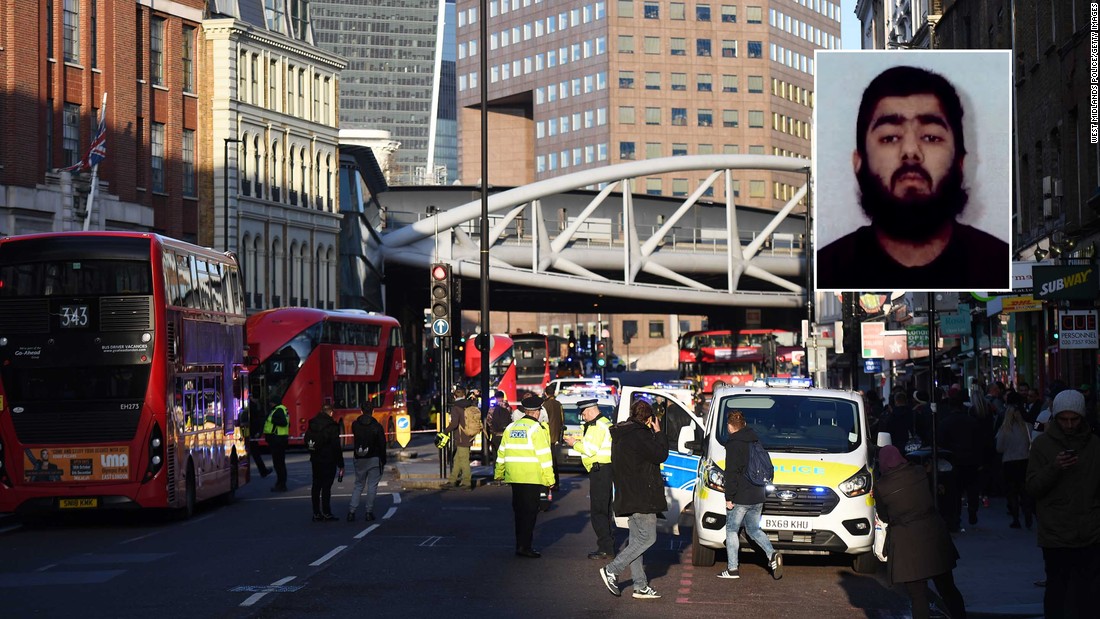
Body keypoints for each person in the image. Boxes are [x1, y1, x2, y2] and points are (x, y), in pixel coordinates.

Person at [816, 65, 1010, 290]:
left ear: (960, 161)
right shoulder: (827, 271)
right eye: (890, 138)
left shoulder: (999, 267)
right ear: (859, 162)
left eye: (930, 137)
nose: (910, 151)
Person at [1025, 389, 1100, 618]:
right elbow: (1033, 487)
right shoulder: (1042, 446)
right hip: (1056, 534)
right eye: (1063, 419)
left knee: (1089, 593)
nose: (1069, 425)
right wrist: (1055, 468)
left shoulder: (1094, 444)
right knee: (1058, 590)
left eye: (1074, 419)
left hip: (1090, 531)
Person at [874, 445, 968, 619]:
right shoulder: (918, 472)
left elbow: (884, 517)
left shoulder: (881, 487)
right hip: (933, 535)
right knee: (947, 588)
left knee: (918, 596)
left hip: (906, 542)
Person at [598, 399, 667, 600]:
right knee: (648, 538)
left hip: (627, 493)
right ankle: (612, 569)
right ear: (648, 419)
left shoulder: (621, 434)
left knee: (637, 541)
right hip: (643, 495)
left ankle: (640, 585)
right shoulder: (641, 435)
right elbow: (661, 455)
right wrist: (659, 432)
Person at [717, 410, 783, 580]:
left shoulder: (733, 444)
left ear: (730, 427)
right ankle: (772, 553)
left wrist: (729, 497)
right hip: (758, 494)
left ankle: (732, 569)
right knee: (753, 529)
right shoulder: (755, 440)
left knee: (732, 529)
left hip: (741, 496)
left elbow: (731, 473)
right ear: (744, 425)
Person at [494, 395, 556, 558]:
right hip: (531, 477)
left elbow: (501, 452)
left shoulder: (511, 427)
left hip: (514, 477)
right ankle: (525, 547)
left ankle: (519, 544)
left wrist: (499, 473)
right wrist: (550, 480)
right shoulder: (537, 429)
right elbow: (544, 456)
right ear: (536, 412)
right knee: (529, 514)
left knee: (519, 513)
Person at [564, 397, 615, 560]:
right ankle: (608, 545)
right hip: (605, 470)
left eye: (584, 413)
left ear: (591, 410)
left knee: (598, 511)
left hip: (600, 471)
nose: (583, 417)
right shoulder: (605, 422)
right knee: (605, 510)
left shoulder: (596, 426)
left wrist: (573, 443)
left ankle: (605, 548)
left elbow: (590, 449)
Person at [938, 387, 982, 530]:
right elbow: (978, 441)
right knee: (972, 488)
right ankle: (972, 510)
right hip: (971, 459)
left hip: (954, 461)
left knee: (955, 491)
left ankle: (956, 518)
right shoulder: (971, 421)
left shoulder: (945, 422)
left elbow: (941, 442)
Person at [995, 402, 1033, 529]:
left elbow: (999, 448)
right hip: (1025, 460)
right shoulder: (1028, 427)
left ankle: (1016, 518)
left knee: (1012, 493)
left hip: (1009, 462)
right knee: (1025, 491)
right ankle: (1028, 517)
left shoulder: (1004, 430)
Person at [347, 403, 387, 522]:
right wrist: (383, 460)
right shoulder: (377, 426)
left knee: (358, 485)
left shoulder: (355, 425)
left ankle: (351, 511)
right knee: (372, 486)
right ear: (373, 411)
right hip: (374, 458)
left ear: (361, 411)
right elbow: (382, 444)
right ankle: (369, 512)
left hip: (359, 457)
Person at [307, 404, 344, 522]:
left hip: (315, 458)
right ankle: (327, 512)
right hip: (329, 459)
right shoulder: (332, 426)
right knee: (326, 487)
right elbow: (336, 446)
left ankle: (316, 513)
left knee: (316, 485)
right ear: (331, 412)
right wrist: (340, 463)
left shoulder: (312, 423)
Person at [444, 386, 476, 491]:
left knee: (464, 460)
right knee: (457, 459)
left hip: (461, 436)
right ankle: (452, 480)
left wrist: (444, 432)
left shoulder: (455, 407)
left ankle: (467, 482)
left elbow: (454, 424)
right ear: (463, 395)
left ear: (455, 396)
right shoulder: (469, 405)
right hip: (469, 435)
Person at [264, 402, 291, 492]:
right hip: (280, 440)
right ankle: (281, 484)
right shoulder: (282, 409)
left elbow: (283, 422)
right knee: (280, 464)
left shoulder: (278, 410)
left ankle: (281, 484)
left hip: (277, 440)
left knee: (278, 464)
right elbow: (288, 424)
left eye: (271, 402)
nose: (270, 403)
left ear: (273, 402)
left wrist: (273, 421)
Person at [542, 390, 565, 489]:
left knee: (547, 461)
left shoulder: (545, 405)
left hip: (546, 436)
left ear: (546, 393)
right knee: (554, 461)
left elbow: (543, 420)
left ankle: (549, 482)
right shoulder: (558, 404)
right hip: (556, 435)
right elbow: (562, 419)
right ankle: (556, 482)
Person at [245, 398, 271, 479]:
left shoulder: (250, 405)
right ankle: (263, 471)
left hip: (249, 432)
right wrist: (258, 432)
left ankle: (262, 470)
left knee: (255, 453)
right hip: (251, 433)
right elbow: (256, 421)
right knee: (255, 453)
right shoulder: (253, 406)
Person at [486, 390, 512, 465]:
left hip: (496, 435)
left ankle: (496, 473)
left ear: (496, 398)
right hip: (505, 435)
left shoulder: (492, 408)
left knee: (496, 455)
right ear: (503, 397)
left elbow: (489, 420)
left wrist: (492, 430)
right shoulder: (508, 408)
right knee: (505, 455)